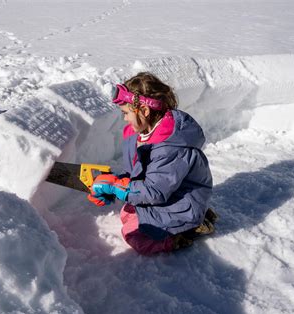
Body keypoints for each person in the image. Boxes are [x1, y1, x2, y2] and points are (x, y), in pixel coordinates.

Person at [88, 72, 216, 256]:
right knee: (127, 213)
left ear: (144, 111)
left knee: (136, 236)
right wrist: (115, 184)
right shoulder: (138, 134)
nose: (124, 119)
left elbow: (154, 191)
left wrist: (117, 187)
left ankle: (184, 232)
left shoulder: (171, 147)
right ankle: (187, 222)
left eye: (126, 113)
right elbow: (136, 173)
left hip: (179, 201)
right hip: (166, 195)